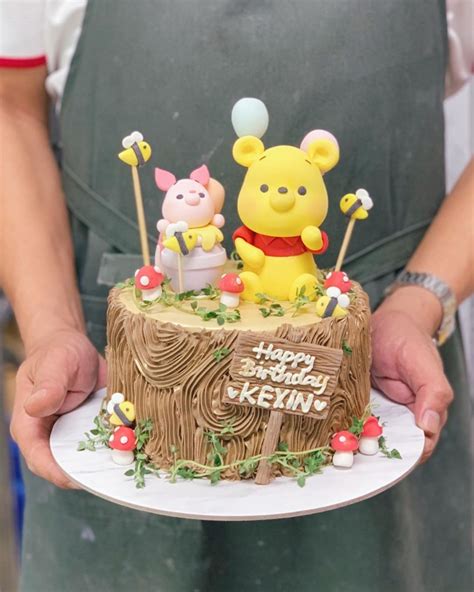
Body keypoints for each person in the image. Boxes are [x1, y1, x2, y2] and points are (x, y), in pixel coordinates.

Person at [1, 1, 472, 591]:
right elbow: (11, 109)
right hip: (121, 366)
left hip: (372, 360)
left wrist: (419, 300)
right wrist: (50, 326)